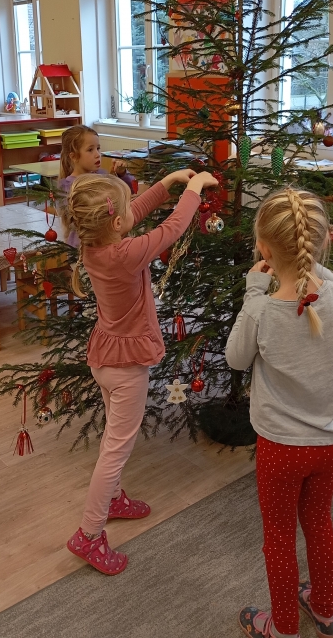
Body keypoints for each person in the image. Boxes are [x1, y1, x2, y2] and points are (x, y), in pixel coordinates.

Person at [225, 188, 333, 638]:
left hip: (280, 447)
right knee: (319, 523)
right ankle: (325, 611)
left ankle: (283, 628)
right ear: (324, 240)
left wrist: (254, 290)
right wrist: (320, 269)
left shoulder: (260, 309)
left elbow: (236, 359)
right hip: (330, 443)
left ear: (263, 249)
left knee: (278, 538)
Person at [65, 167, 218, 575]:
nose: (131, 213)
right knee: (115, 450)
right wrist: (193, 190)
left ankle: (113, 499)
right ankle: (89, 533)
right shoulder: (125, 254)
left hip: (105, 356)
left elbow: (131, 212)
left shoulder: (94, 246)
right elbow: (172, 229)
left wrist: (166, 184)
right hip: (126, 367)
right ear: (115, 223)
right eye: (124, 211)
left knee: (112, 440)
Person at [58, 125, 136, 248]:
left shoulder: (102, 175)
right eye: (90, 150)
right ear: (74, 157)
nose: (97, 154)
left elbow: (128, 194)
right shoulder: (68, 187)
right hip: (83, 247)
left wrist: (121, 175)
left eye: (98, 148)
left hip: (108, 242)